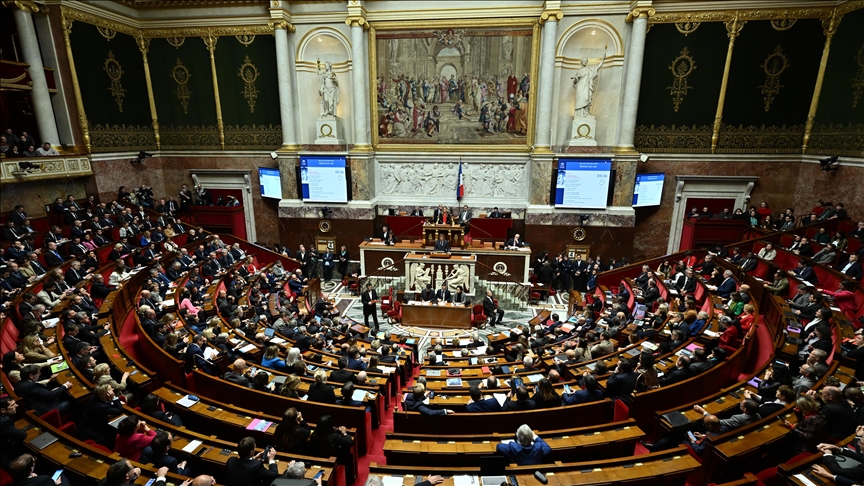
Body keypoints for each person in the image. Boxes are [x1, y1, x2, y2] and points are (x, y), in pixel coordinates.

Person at [7, 453, 73, 486]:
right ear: (31, 469)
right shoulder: (44, 479)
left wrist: (30, 478)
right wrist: (58, 484)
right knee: (63, 476)